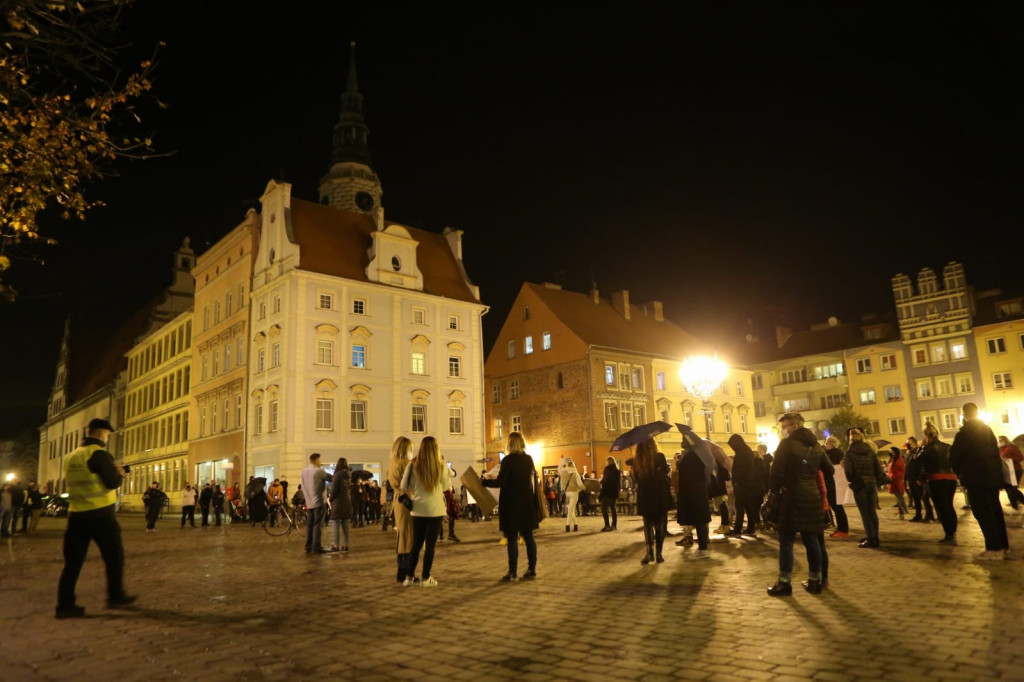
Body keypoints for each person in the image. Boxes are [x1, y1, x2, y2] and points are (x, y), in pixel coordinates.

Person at [55, 418, 136, 618]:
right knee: (114, 556)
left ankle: (65, 605)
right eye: (107, 434)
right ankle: (115, 595)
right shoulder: (98, 453)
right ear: (101, 433)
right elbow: (112, 482)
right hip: (100, 515)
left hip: (76, 515)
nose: (107, 438)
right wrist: (120, 473)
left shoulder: (72, 456)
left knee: (73, 563)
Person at [766, 413, 834, 596]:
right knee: (811, 540)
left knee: (786, 541)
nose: (784, 431)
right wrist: (809, 473)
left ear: (795, 426)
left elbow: (775, 474)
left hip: (791, 497)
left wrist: (774, 489)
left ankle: (784, 582)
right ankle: (815, 581)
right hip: (812, 497)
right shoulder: (816, 446)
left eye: (785, 427)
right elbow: (830, 469)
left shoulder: (787, 445)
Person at [950, 403, 1010, 559]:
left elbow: (955, 456)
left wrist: (959, 472)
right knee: (995, 510)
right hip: (992, 476)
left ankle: (994, 549)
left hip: (976, 477)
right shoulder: (987, 430)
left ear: (964, 415)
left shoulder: (965, 432)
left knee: (983, 511)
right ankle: (1003, 545)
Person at [482, 432, 539, 581]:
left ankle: (512, 572)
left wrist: (485, 482)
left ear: (510, 444)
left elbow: (500, 482)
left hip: (511, 503)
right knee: (529, 537)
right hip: (526, 502)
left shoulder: (507, 460)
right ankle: (532, 569)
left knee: (512, 538)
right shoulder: (529, 459)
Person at [400, 436, 448, 587]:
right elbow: (446, 487)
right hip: (435, 510)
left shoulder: (412, 464)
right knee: (430, 547)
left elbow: (403, 486)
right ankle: (426, 577)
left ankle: (409, 577)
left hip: (418, 509)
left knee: (416, 545)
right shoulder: (441, 465)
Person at [844, 428, 887, 548]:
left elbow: (848, 472)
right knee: (872, 512)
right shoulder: (870, 451)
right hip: (871, 484)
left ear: (851, 439)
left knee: (865, 514)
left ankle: (870, 538)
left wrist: (853, 480)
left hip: (860, 485)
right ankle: (875, 537)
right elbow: (878, 469)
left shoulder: (850, 452)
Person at [632, 438, 672, 564]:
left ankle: (649, 553)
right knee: (659, 524)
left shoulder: (638, 460)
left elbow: (637, 478)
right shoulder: (660, 457)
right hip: (659, 493)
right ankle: (659, 554)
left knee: (648, 524)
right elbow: (665, 472)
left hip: (645, 494)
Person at [918, 422, 958, 544]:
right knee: (949, 505)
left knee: (942, 507)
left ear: (926, 436)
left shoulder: (927, 449)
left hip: (937, 479)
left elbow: (917, 460)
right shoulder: (947, 446)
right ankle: (952, 532)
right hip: (951, 478)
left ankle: (949, 535)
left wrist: (921, 447)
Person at [676, 426, 712, 557]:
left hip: (693, 492)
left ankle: (703, 549)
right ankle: (702, 548)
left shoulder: (692, 456)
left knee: (699, 520)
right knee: (699, 520)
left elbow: (688, 474)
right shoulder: (697, 455)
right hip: (698, 491)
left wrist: (679, 465)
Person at [388, 437, 415, 583]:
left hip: (397, 499)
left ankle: (401, 570)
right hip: (407, 498)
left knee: (402, 534)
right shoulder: (405, 463)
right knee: (409, 536)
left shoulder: (392, 463)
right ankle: (406, 572)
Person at [727, 434, 764, 537]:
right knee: (748, 507)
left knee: (739, 508)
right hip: (748, 484)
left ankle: (737, 529)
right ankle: (750, 528)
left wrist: (736, 482)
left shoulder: (741, 452)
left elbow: (740, 469)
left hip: (741, 484)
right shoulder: (746, 450)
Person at [300, 452, 333, 554]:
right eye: (320, 460)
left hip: (309, 502)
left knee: (309, 525)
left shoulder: (304, 472)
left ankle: (308, 546)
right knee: (317, 525)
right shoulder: (318, 471)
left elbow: (303, 486)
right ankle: (316, 547)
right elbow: (331, 478)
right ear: (317, 460)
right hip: (318, 502)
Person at [905, 436, 936, 523]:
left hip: (918, 479)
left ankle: (929, 515)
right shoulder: (909, 453)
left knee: (924, 498)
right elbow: (907, 467)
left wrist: (920, 478)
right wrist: (906, 479)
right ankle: (918, 515)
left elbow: (922, 465)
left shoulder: (918, 452)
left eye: (909, 443)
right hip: (911, 479)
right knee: (915, 498)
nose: (907, 444)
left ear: (914, 443)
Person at [328, 458, 352, 553]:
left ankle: (335, 545)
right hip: (347, 503)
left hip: (338, 503)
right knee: (345, 526)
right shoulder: (348, 475)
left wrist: (330, 499)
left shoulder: (337, 475)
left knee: (336, 525)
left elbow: (334, 490)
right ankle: (345, 545)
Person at [997, 436, 1024, 511]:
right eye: (999, 441)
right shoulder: (999, 449)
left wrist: (1010, 460)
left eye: (1001, 440)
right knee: (1008, 488)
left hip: (1015, 470)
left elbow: (1021, 457)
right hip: (1006, 472)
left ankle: (1021, 501)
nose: (1000, 442)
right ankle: (1014, 505)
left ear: (1006, 440)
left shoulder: (1012, 448)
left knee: (1012, 489)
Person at [559, 457, 584, 532]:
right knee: (570, 510)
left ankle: (576, 525)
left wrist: (561, 460)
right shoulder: (575, 473)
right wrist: (584, 488)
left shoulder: (563, 472)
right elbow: (580, 484)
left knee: (571, 509)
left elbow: (559, 468)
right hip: (574, 492)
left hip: (566, 493)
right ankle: (567, 526)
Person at [599, 456, 621, 531]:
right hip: (613, 492)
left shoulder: (607, 469)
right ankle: (614, 525)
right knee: (613, 508)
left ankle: (607, 525)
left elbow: (605, 480)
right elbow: (617, 483)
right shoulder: (617, 470)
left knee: (604, 509)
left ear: (608, 462)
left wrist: (601, 482)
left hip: (606, 491)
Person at [888, 448, 908, 521]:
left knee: (899, 497)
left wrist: (891, 477)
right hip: (893, 480)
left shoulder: (898, 461)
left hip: (896, 481)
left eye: (891, 451)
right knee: (899, 497)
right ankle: (904, 510)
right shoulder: (893, 460)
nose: (890, 452)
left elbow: (899, 472)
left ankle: (902, 511)